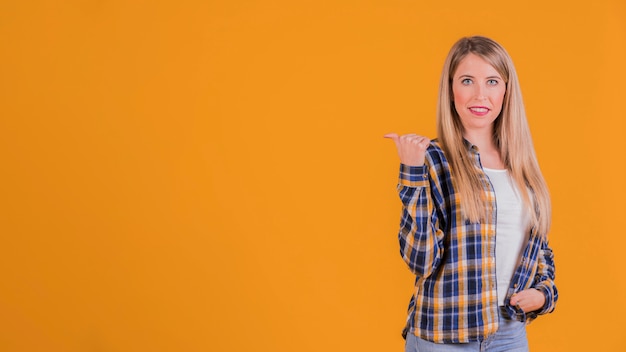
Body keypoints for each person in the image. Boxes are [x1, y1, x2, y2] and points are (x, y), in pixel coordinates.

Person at [384, 36, 558, 352]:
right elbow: (421, 261)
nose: (480, 94)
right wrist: (411, 175)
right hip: (444, 337)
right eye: (467, 81)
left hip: (510, 334)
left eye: (492, 81)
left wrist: (545, 293)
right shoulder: (433, 158)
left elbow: (538, 247)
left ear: (506, 91)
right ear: (451, 91)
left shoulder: (522, 166)